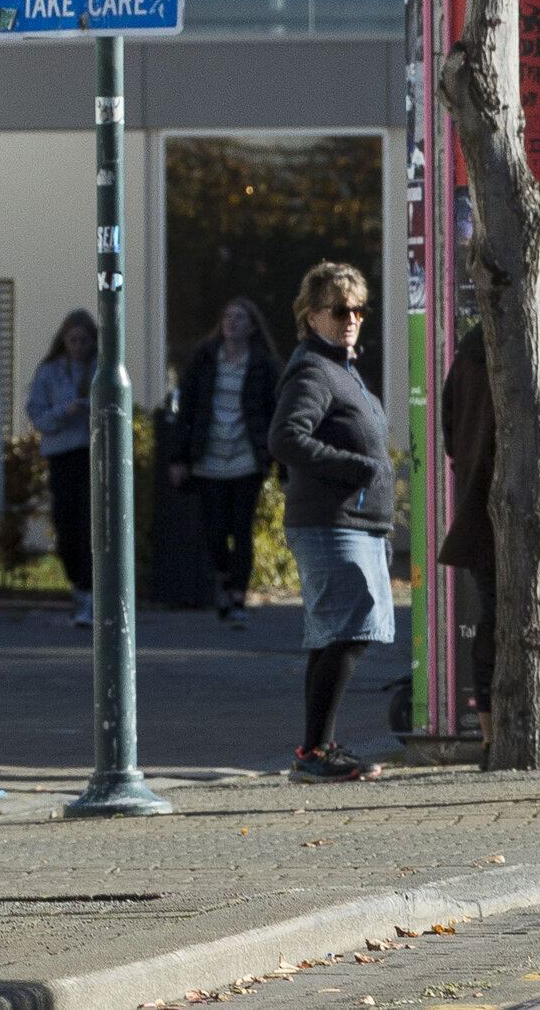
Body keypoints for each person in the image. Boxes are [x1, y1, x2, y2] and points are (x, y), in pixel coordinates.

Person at [435, 311, 540, 750]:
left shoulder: (467, 355)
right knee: (539, 618)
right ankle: (536, 731)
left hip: (478, 511)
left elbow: (449, 432)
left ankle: (491, 734)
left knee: (493, 621)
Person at [272, 262, 394, 783]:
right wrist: (354, 467)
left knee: (337, 635)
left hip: (358, 523)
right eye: (339, 309)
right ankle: (315, 752)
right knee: (349, 629)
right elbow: (285, 438)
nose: (351, 319)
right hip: (331, 522)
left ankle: (316, 750)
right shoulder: (313, 370)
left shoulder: (343, 368)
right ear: (311, 316)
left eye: (358, 309)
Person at [165, 297, 282, 626]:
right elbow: (186, 410)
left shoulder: (263, 364)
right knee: (215, 529)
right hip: (209, 457)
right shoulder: (204, 360)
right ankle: (222, 576)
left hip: (246, 457)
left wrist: (276, 456)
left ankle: (237, 598)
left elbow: (276, 411)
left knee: (241, 529)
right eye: (227, 316)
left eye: (239, 317)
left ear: (252, 326)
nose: (232, 322)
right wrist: (179, 456)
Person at [25, 310, 102, 630]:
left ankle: (88, 593)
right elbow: (37, 415)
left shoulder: (101, 369)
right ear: (63, 340)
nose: (78, 347)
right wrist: (64, 411)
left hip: (94, 454)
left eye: (84, 341)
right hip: (62, 454)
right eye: (72, 340)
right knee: (66, 524)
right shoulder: (50, 372)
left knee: (90, 525)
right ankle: (78, 585)